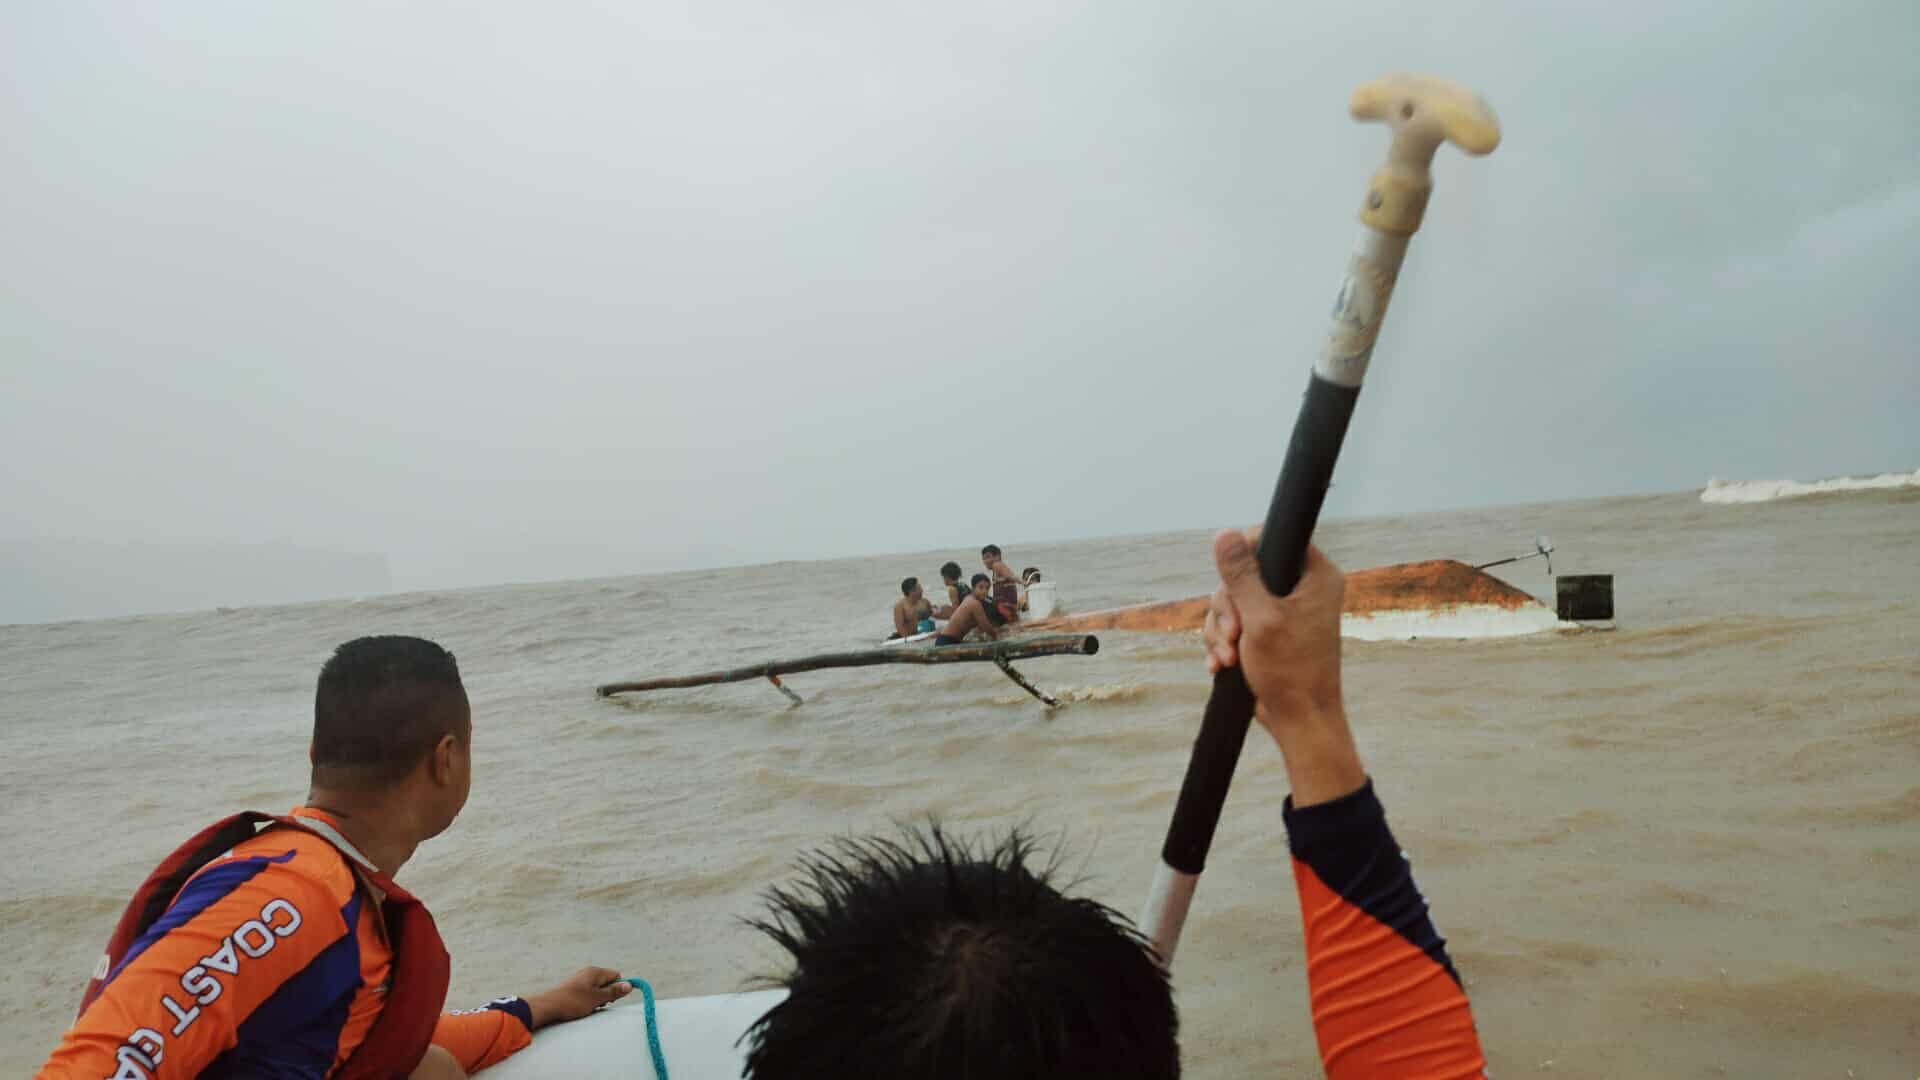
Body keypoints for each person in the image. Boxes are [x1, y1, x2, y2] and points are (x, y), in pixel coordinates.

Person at [740, 531, 1484, 1078]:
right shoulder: (940, 601)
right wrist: (1310, 719)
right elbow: (1410, 1048)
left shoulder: (979, 589)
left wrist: (1308, 719)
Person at [36, 635, 632, 1080]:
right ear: (447, 759)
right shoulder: (289, 896)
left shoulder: (338, 888)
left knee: (428, 1067)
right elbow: (101, 1063)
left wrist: (540, 1007)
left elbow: (387, 1043)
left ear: (315, 752)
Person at [931, 575, 1004, 646]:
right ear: (973, 588)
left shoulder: (968, 598)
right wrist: (998, 638)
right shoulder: (974, 604)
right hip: (946, 642)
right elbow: (986, 628)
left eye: (987, 588)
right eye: (981, 587)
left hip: (949, 640)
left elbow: (981, 627)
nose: (984, 591)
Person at [980, 544, 1021, 623]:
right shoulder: (998, 568)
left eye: (988, 557)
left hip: (1004, 607)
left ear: (997, 556)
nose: (985, 561)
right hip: (1007, 607)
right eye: (984, 559)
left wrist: (1023, 582)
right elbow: (1009, 577)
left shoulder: (997, 564)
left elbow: (1011, 576)